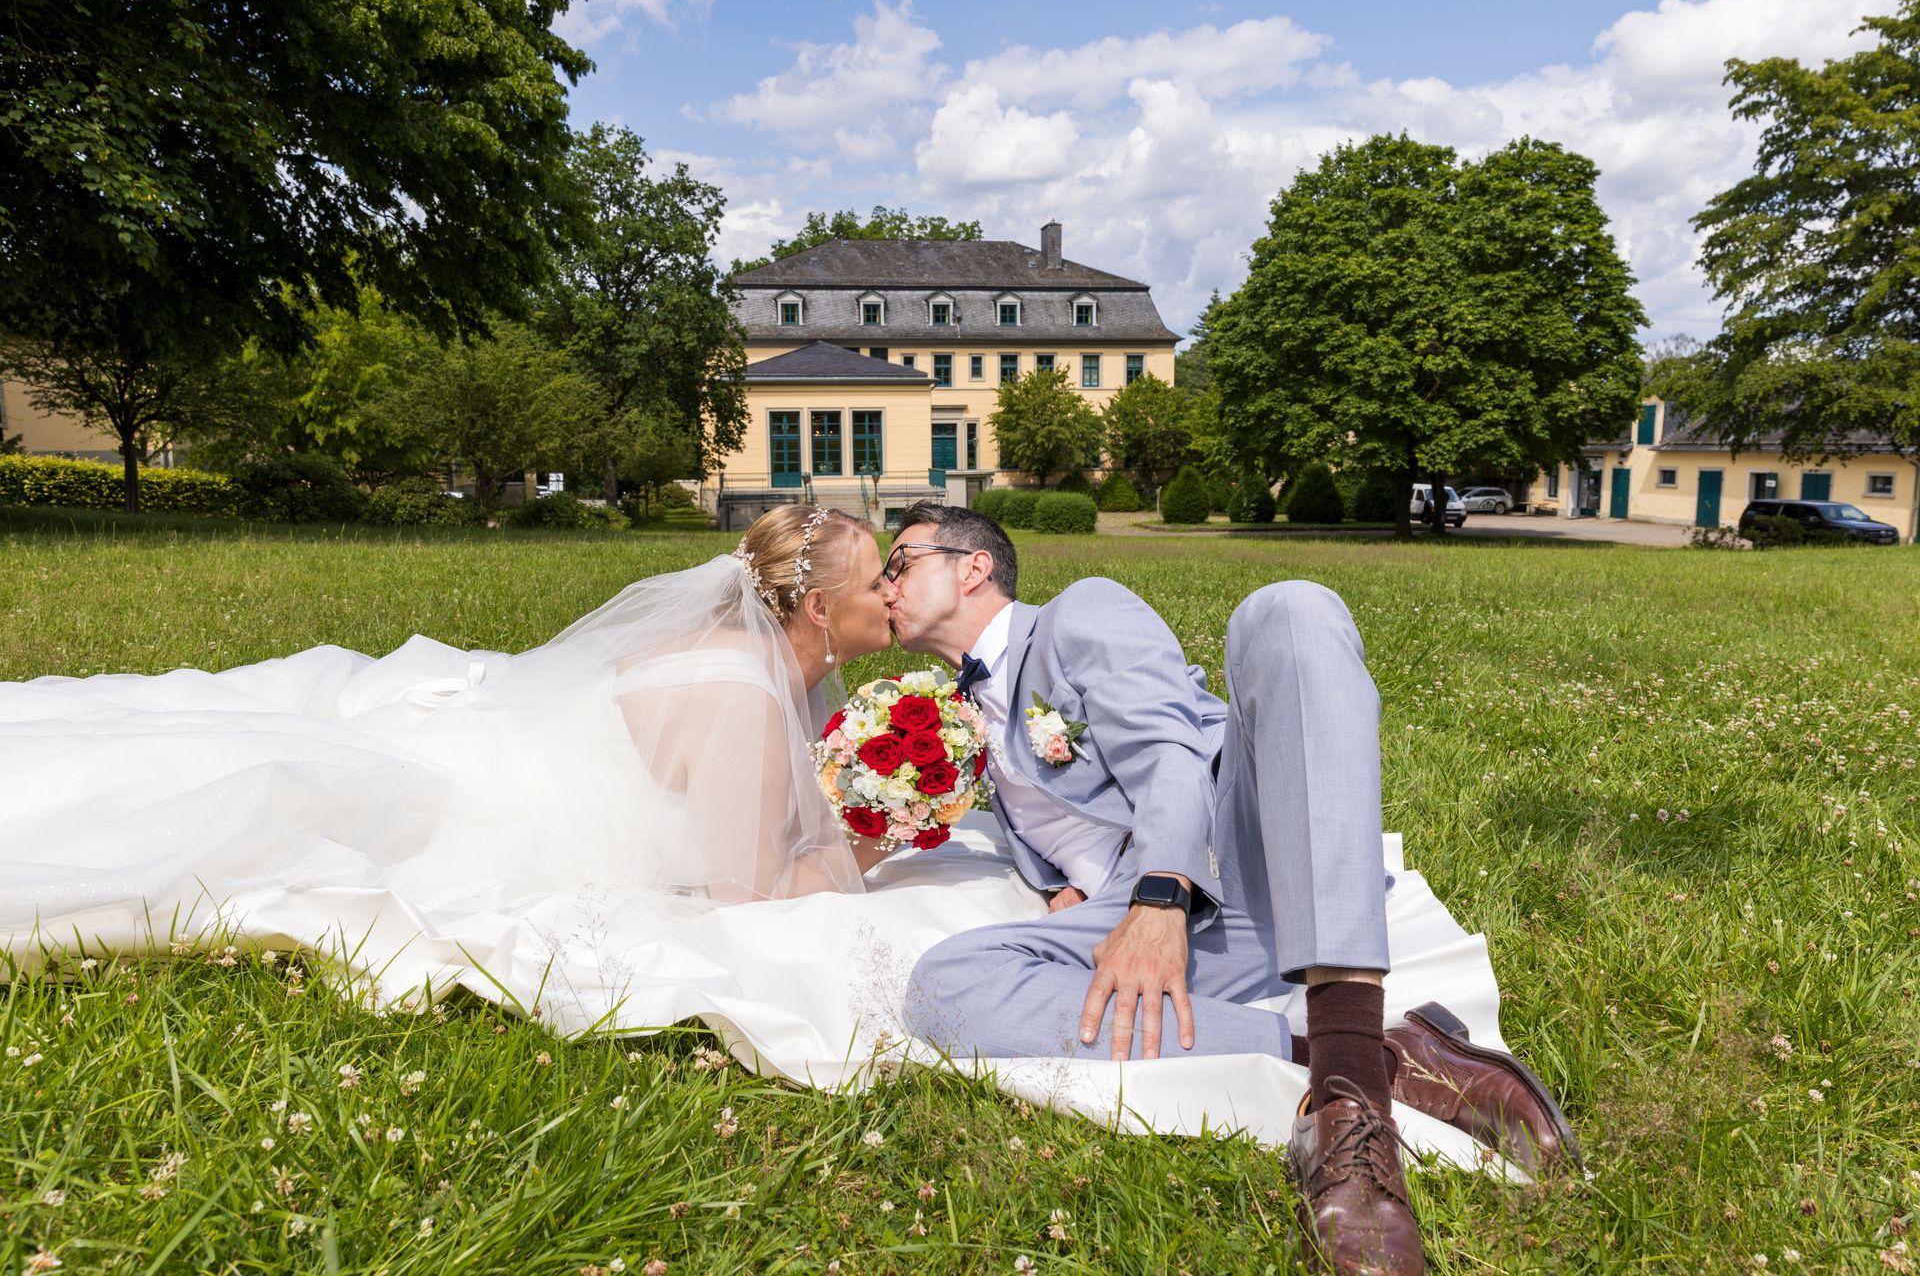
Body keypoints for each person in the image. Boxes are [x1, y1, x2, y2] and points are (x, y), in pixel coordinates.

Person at [884, 502, 1579, 1276]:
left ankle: (1349, 1107)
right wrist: (1066, 899)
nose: (887, 585)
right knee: (941, 985)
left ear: (972, 566)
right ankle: (1382, 1056)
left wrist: (1161, 894)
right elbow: (1051, 838)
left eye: (900, 561)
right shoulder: (962, 719)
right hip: (1139, 914)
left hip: (1228, 851)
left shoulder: (1078, 614)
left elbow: (1171, 750)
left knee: (1287, 610)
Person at [0, 505, 897, 959]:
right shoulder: (745, 688)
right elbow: (744, 903)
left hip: (503, 735)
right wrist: (877, 839)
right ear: (817, 608)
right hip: (479, 794)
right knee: (238, 801)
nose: (893, 593)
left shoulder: (788, 666)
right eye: (877, 583)